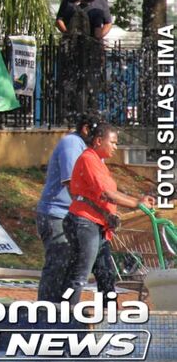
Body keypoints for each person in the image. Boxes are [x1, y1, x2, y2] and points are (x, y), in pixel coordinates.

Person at [61, 123, 154, 304]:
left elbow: (108, 194)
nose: (115, 147)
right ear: (98, 141)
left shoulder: (99, 163)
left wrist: (137, 200)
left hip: (96, 224)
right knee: (80, 274)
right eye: (113, 142)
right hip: (84, 223)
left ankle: (108, 314)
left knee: (106, 274)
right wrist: (136, 203)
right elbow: (106, 193)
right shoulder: (88, 159)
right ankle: (65, 318)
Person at [35, 114, 115, 302]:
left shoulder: (92, 151)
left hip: (84, 217)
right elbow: (73, 186)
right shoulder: (72, 143)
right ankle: (45, 312)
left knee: (83, 268)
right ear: (86, 129)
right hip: (59, 214)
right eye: (96, 132)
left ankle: (67, 310)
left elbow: (100, 187)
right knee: (59, 263)